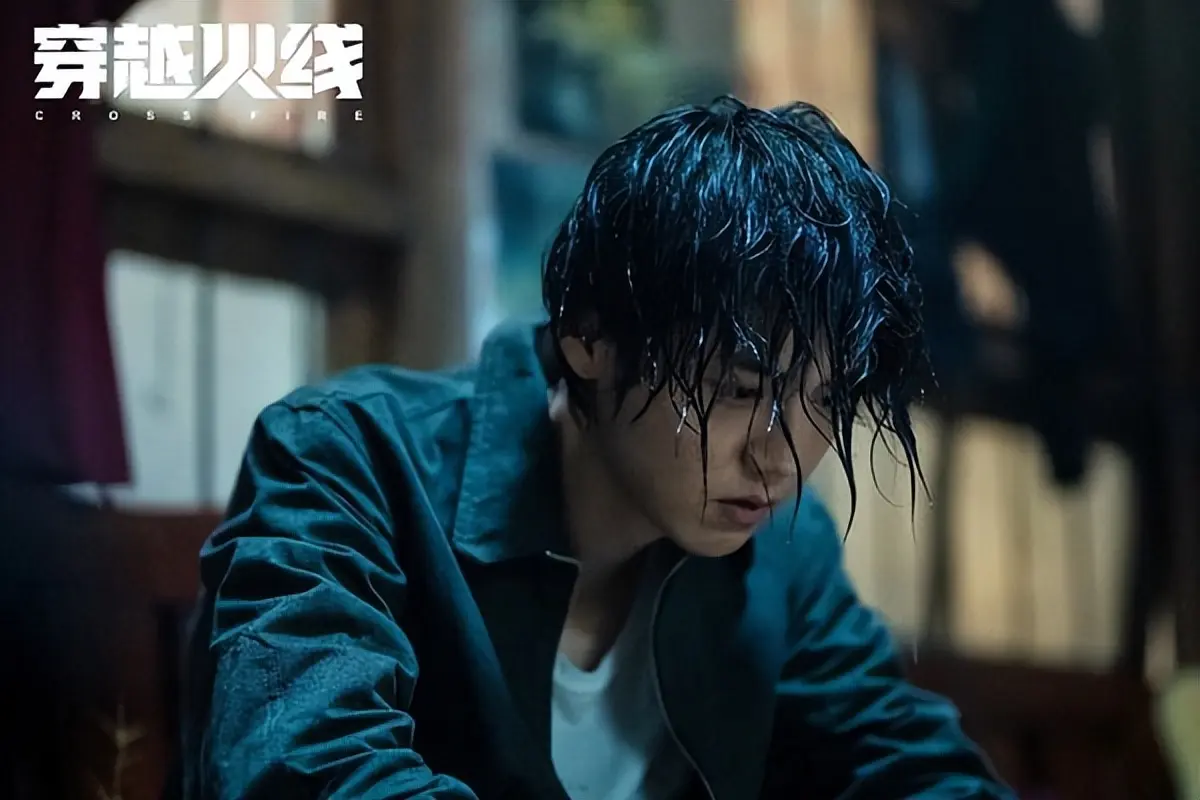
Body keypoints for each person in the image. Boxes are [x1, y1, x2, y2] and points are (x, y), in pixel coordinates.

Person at [176, 96, 1013, 799]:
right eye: (739, 390)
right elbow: (308, 769)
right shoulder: (350, 458)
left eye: (825, 400)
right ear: (588, 334)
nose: (784, 457)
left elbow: (903, 761)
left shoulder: (782, 547)